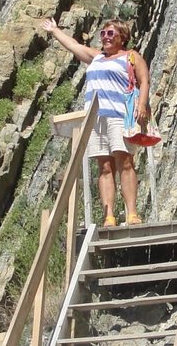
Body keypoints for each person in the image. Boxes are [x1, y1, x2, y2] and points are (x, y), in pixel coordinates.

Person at [40, 16, 151, 226]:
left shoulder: (131, 56)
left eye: (111, 33)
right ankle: (109, 215)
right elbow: (74, 45)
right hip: (95, 119)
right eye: (103, 33)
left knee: (125, 162)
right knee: (105, 167)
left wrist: (142, 105)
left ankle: (132, 213)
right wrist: (55, 31)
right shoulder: (97, 57)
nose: (105, 37)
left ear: (122, 36)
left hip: (119, 115)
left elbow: (144, 80)